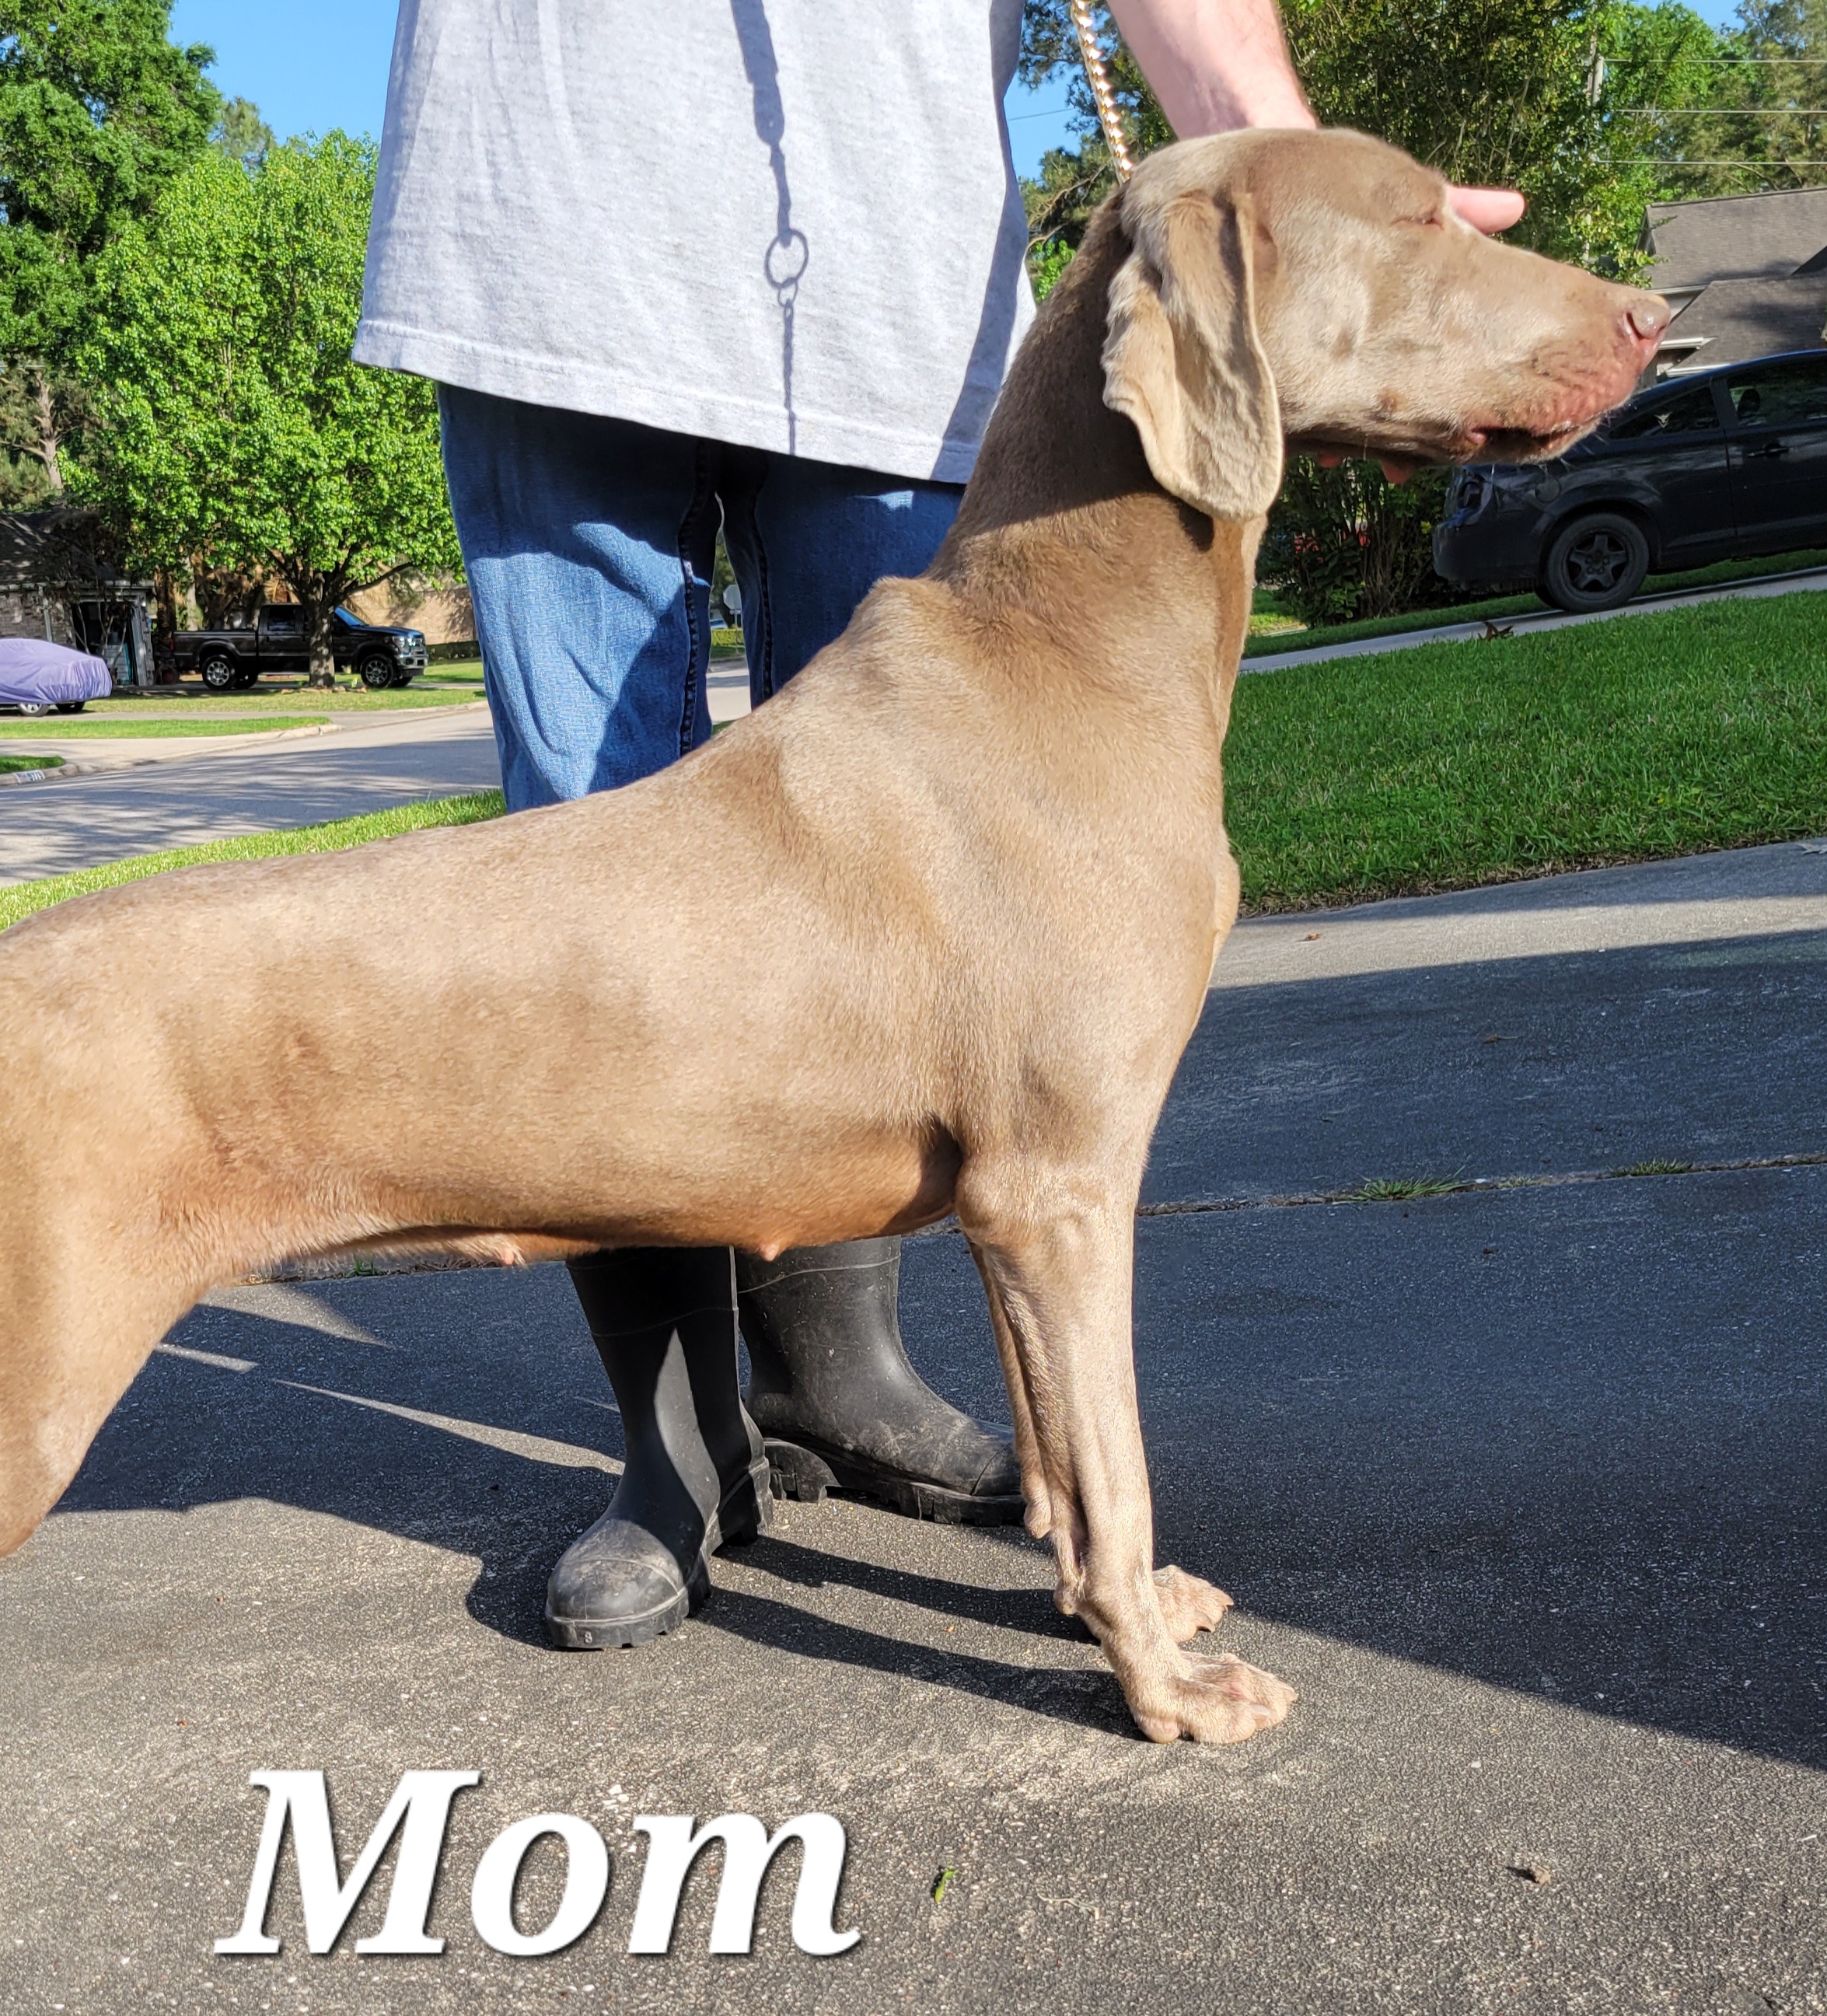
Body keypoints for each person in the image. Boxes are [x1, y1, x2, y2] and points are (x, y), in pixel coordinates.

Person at [355, 0, 1522, 1651]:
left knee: (939, 937)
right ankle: (674, 1451)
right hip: (542, 240)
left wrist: (1310, 172)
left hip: (884, 265)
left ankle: (839, 1381)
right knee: (591, 886)